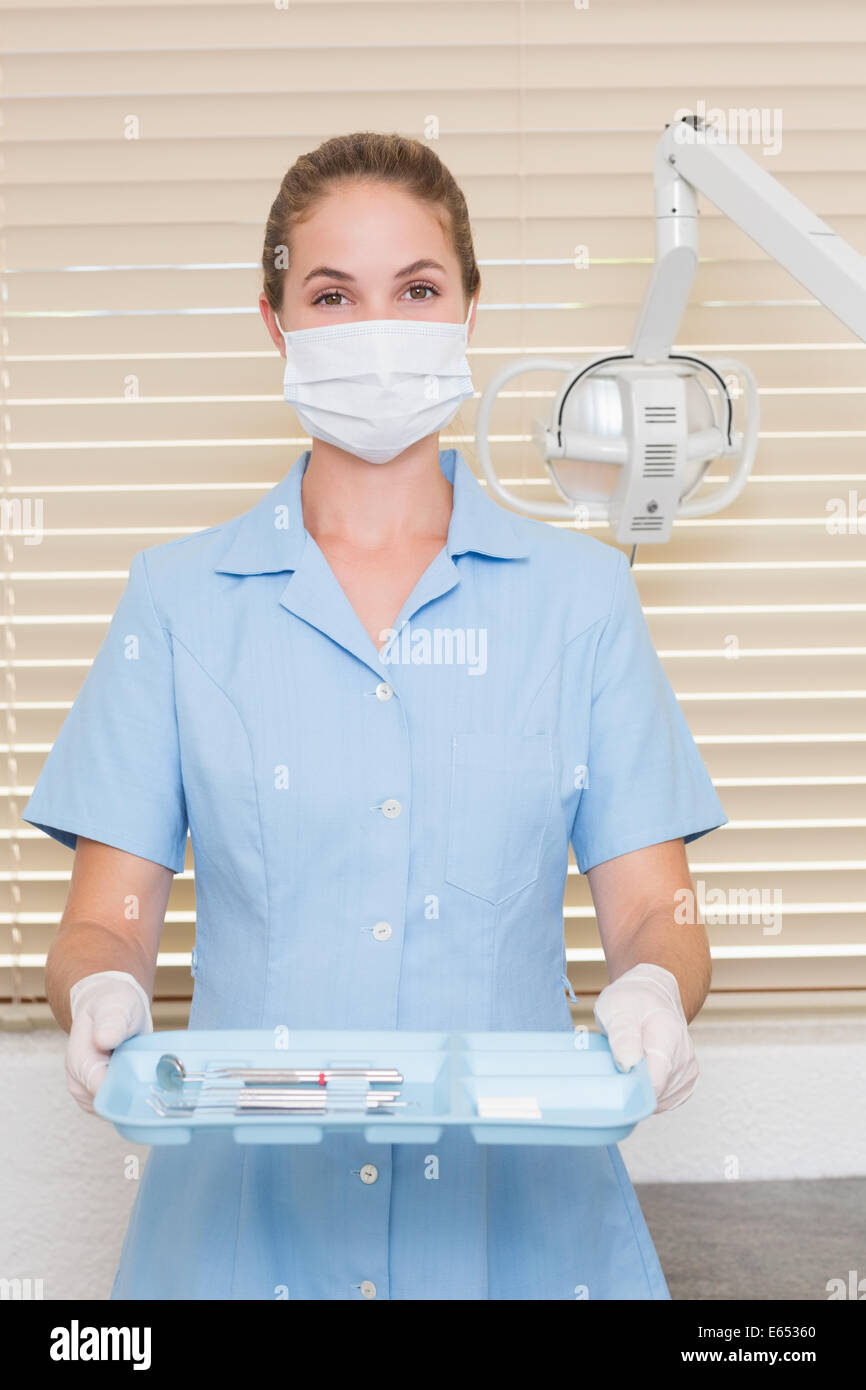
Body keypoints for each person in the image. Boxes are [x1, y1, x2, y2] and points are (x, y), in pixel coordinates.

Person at [23, 131, 726, 1300]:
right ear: (275, 323)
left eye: (414, 289)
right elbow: (105, 923)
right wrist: (100, 990)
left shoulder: (578, 601)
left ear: (465, 312)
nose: (375, 327)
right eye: (331, 294)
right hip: (243, 1240)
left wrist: (652, 987)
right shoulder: (180, 601)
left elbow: (657, 909)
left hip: (522, 1234)